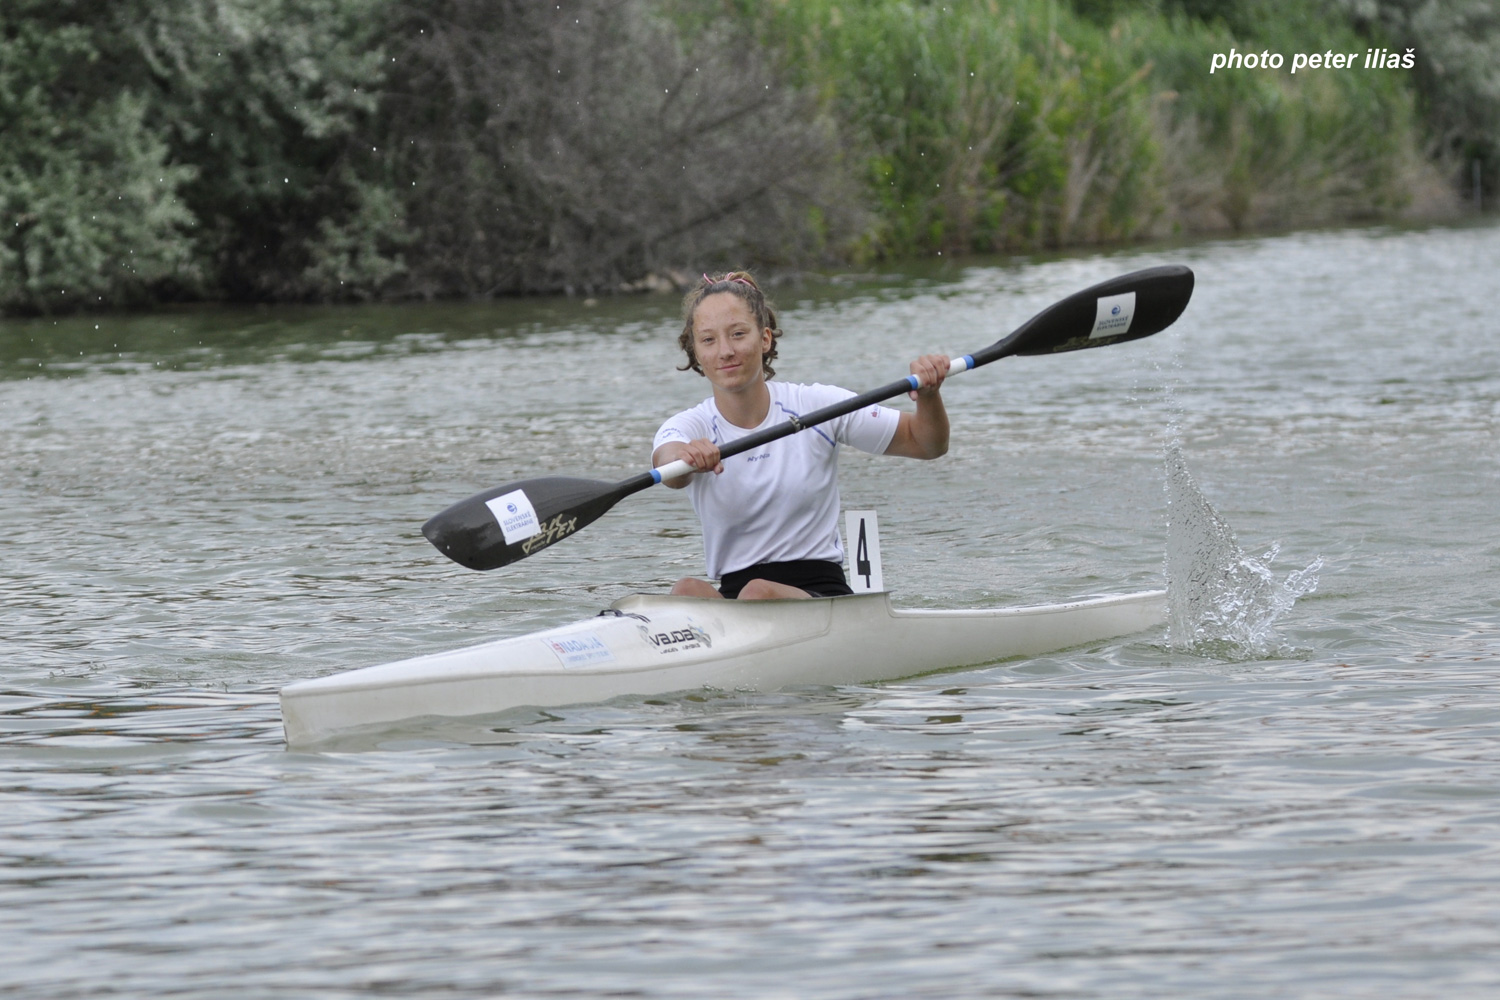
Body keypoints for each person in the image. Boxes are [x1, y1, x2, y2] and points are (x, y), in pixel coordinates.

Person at [652, 271, 951, 600]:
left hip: (819, 593)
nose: (724, 351)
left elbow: (926, 443)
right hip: (737, 599)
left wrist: (928, 396)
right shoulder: (690, 424)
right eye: (708, 340)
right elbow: (668, 464)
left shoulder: (816, 405)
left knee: (759, 592)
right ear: (695, 351)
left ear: (764, 339)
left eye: (738, 334)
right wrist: (686, 459)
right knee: (686, 590)